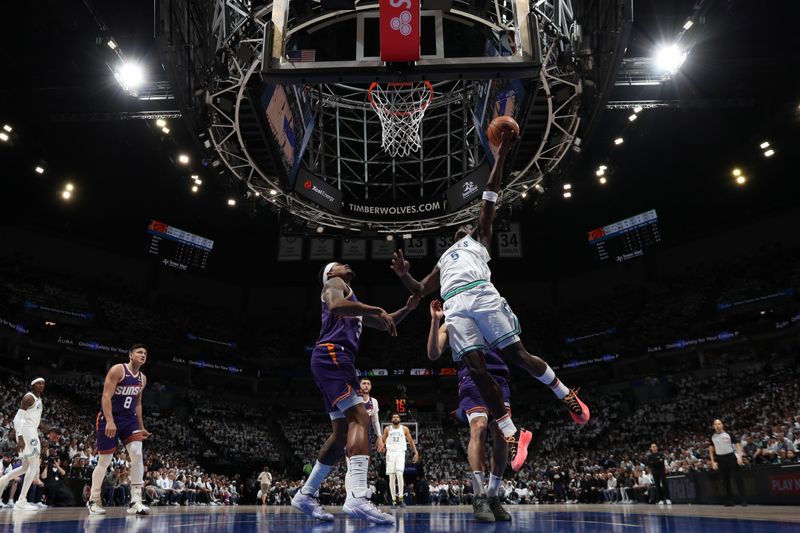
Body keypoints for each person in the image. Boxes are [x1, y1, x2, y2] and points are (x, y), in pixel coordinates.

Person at [390, 132, 589, 443]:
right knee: (476, 371)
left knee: (518, 355)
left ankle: (563, 393)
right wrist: (404, 274)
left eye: (466, 225)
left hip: (481, 293)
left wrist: (499, 159)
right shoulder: (443, 260)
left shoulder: (479, 237)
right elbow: (419, 289)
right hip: (454, 306)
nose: (464, 227)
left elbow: (489, 195)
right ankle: (510, 433)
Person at [290, 262, 418, 525]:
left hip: (332, 359)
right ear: (331, 273)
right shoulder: (335, 285)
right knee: (360, 418)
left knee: (339, 437)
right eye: (337, 264)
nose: (344, 264)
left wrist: (407, 308)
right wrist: (377, 308)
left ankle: (305, 494)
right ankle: (357, 496)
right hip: (333, 355)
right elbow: (337, 305)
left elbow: (385, 323)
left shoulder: (352, 300)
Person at [427, 299, 527, 522]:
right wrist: (435, 321)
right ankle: (479, 495)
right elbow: (433, 353)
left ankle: (492, 496)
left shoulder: (489, 312)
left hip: (499, 379)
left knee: (502, 436)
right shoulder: (451, 322)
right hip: (471, 378)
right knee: (479, 426)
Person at [87, 344, 152, 515]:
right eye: (139, 352)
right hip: (110, 417)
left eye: (145, 353)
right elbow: (106, 396)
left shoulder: (142, 379)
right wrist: (109, 421)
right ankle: (93, 500)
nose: (143, 355)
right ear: (130, 355)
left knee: (137, 453)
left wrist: (141, 426)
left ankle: (135, 501)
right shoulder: (118, 370)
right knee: (105, 460)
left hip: (129, 419)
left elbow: (137, 403)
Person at [0, 377, 47, 512]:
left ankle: (2, 480)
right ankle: (21, 500)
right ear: (32, 385)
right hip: (27, 432)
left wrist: (48, 429)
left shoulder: (38, 400)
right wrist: (19, 437)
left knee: (25, 467)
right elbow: (17, 419)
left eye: (43, 383)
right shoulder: (29, 398)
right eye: (39, 383)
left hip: (31, 431)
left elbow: (36, 420)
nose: (42, 385)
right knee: (34, 464)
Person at [382, 412, 419, 508]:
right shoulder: (387, 429)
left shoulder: (404, 428)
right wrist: (382, 447)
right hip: (390, 453)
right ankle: (394, 500)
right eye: (393, 417)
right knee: (391, 477)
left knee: (399, 474)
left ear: (399, 419)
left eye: (397, 417)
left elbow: (410, 441)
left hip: (400, 452)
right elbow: (382, 441)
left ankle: (401, 499)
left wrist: (416, 452)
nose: (395, 418)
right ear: (391, 419)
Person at [709, 418, 747, 506]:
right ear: (713, 426)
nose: (717, 425)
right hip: (720, 459)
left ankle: (743, 500)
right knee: (725, 481)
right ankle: (729, 501)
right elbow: (711, 451)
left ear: (722, 425)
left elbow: (738, 445)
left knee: (738, 479)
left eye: (719, 424)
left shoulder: (728, 434)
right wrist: (713, 462)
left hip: (731, 457)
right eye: (715, 424)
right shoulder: (712, 437)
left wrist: (740, 457)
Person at [359, 379, 385, 454]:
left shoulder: (374, 401)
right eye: (364, 383)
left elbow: (375, 421)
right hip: (354, 434)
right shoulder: (355, 400)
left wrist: (379, 437)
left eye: (368, 384)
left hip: (367, 435)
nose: (366, 385)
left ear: (370, 386)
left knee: (366, 461)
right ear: (359, 386)